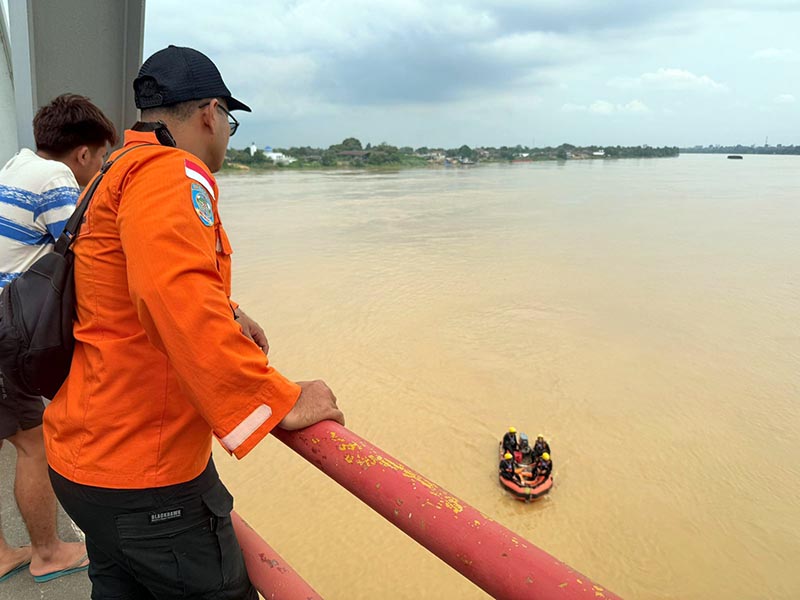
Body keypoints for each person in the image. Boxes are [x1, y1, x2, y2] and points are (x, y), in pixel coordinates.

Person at [41, 45, 344, 599]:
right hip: (146, 477)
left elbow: (118, 288)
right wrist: (278, 398)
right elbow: (169, 295)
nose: (226, 132)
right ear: (209, 112)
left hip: (84, 459)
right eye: (228, 120)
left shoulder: (114, 170)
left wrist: (227, 309)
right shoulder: (170, 171)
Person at [0, 94, 116, 583]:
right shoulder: (57, 179)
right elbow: (87, 253)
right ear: (84, 154)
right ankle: (48, 552)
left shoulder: (16, 164)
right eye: (101, 159)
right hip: (4, 328)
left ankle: (4, 552)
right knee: (34, 444)